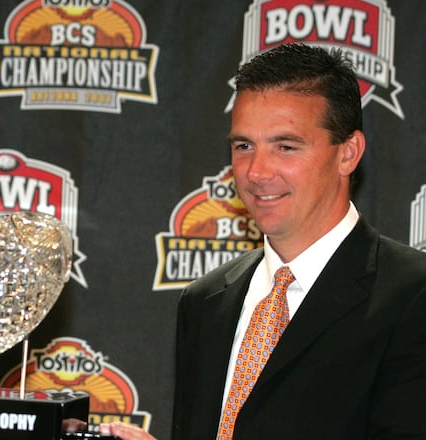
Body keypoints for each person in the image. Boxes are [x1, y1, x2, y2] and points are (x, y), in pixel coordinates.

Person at [100, 43, 426, 439]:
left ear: (348, 152)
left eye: (285, 146)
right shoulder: (205, 303)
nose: (256, 171)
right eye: (243, 146)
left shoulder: (412, 296)